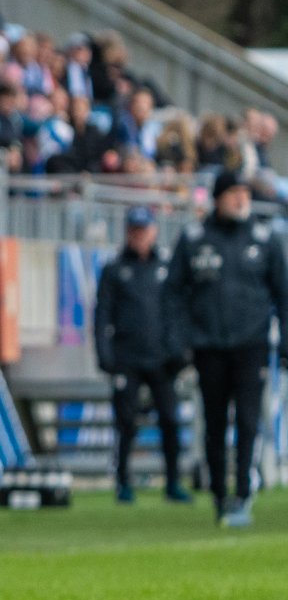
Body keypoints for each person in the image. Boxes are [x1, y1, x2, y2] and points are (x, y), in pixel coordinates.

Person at [163, 171, 288, 527]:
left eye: (244, 192)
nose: (240, 199)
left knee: (249, 421)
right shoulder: (194, 239)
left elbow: (284, 294)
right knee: (214, 424)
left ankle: (244, 493)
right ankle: (220, 494)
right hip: (209, 346)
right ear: (217, 198)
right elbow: (173, 294)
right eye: (233, 192)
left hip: (252, 345)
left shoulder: (265, 240)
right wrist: (179, 342)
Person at [94, 206, 188, 504]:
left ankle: (173, 482)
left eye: (144, 230)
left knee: (170, 421)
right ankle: (123, 482)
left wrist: (180, 349)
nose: (139, 236)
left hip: (162, 359)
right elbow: (102, 314)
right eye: (134, 230)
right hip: (127, 357)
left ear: (154, 231)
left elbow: (178, 311)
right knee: (126, 422)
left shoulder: (166, 267)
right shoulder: (114, 269)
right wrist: (104, 353)